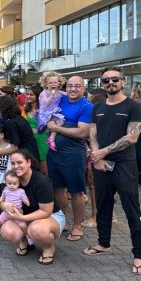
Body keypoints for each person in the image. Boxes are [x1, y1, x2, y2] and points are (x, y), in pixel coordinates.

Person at [85, 67, 141, 276]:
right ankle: (104, 243)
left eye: (114, 79)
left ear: (123, 81)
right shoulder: (98, 107)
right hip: (102, 165)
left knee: (131, 208)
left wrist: (103, 152)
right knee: (103, 205)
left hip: (124, 165)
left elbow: (132, 137)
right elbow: (92, 133)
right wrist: (96, 157)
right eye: (106, 80)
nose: (110, 82)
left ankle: (139, 254)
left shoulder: (133, 106)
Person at [46, 76, 92, 242]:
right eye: (70, 86)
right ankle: (62, 220)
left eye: (77, 86)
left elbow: (82, 132)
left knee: (76, 192)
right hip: (54, 154)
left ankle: (78, 226)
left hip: (73, 155)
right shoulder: (60, 99)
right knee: (57, 189)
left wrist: (57, 127)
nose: (73, 89)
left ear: (83, 88)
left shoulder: (86, 106)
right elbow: (48, 115)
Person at [0, 150, 65, 266]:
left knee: (36, 230)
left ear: (29, 162)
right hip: (23, 217)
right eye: (13, 163)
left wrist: (23, 218)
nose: (16, 166)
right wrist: (4, 205)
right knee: (7, 231)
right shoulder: (12, 179)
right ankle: (26, 242)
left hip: (50, 216)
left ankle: (48, 248)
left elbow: (46, 211)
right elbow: (1, 201)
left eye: (19, 162)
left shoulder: (41, 181)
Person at [82, 88, 107, 228]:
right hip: (103, 151)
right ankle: (109, 215)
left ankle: (95, 216)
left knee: (93, 185)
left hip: (96, 151)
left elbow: (91, 134)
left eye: (90, 98)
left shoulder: (95, 112)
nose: (88, 100)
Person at [0, 96, 40, 169]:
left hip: (26, 157)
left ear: (4, 108)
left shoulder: (11, 123)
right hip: (32, 154)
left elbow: (14, 147)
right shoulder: (18, 117)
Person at [35, 72, 66, 152]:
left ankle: (51, 138)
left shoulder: (58, 92)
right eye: (50, 83)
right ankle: (51, 138)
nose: (53, 84)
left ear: (59, 83)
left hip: (54, 112)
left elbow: (67, 94)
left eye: (55, 82)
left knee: (61, 121)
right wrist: (51, 96)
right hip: (45, 113)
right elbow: (44, 104)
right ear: (46, 84)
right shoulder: (44, 93)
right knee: (60, 120)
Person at [24, 85, 49, 175]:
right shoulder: (25, 109)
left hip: (42, 141)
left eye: (32, 95)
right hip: (30, 142)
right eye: (27, 94)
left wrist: (38, 130)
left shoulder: (44, 109)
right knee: (32, 171)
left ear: (38, 96)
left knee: (44, 172)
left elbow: (49, 128)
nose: (28, 96)